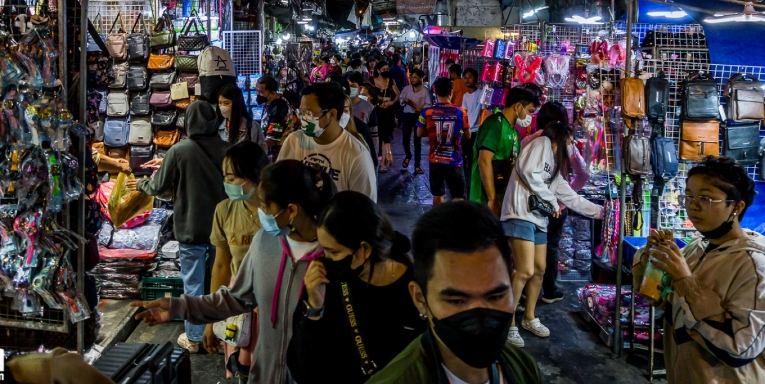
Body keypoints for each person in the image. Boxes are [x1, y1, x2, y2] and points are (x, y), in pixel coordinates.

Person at [131, 160, 333, 384]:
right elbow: (235, 298)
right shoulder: (265, 242)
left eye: (266, 207)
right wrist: (179, 307)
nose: (261, 214)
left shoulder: (332, 258)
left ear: (292, 210)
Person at [366, 201, 542, 384]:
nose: (479, 317)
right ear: (420, 299)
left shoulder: (524, 369)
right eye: (457, 301)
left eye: (495, 296)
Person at [632, 157, 765, 384]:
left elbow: (739, 349)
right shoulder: (697, 246)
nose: (693, 205)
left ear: (736, 206)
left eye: (705, 198)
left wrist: (686, 281)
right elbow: (662, 301)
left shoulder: (753, 266)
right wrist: (653, 259)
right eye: (689, 196)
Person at [287, 192, 424, 384]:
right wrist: (313, 309)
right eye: (323, 249)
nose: (324, 258)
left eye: (333, 252)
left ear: (364, 250)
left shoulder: (414, 288)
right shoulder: (325, 282)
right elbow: (302, 369)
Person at [136, 100, 230, 352]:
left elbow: (156, 187)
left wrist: (140, 185)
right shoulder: (227, 149)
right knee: (219, 283)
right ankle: (219, 335)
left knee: (193, 285)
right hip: (222, 229)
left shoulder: (179, 151)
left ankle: (195, 337)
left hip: (191, 228)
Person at [500, 122, 603, 347]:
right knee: (525, 270)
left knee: (539, 269)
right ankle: (508, 323)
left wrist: (601, 213)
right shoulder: (541, 143)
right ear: (561, 137)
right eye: (570, 140)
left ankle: (529, 317)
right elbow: (527, 172)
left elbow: (570, 196)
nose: (572, 145)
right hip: (520, 212)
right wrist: (549, 200)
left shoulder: (554, 166)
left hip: (538, 218)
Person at [203, 141, 270, 376]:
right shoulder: (224, 210)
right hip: (240, 305)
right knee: (244, 367)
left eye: (232, 178)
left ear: (254, 175)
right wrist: (211, 320)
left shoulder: (277, 212)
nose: (226, 184)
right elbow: (221, 266)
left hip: (274, 306)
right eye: (225, 177)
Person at [522, 101, 590, 304]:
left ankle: (525, 292)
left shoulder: (529, 140)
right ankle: (549, 291)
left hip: (531, 204)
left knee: (529, 246)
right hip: (556, 209)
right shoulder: (566, 143)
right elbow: (583, 174)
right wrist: (564, 197)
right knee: (550, 247)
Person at [277, 82, 377, 201]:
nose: (303, 118)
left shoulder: (357, 156)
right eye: (301, 112)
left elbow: (363, 211)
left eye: (309, 113)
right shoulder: (294, 141)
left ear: (331, 114)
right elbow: (279, 185)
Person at [469, 86, 541, 215]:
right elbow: (484, 161)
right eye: (530, 111)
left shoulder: (514, 132)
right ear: (518, 106)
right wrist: (492, 199)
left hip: (502, 198)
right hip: (484, 201)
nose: (530, 117)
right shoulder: (494, 125)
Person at [417, 77, 469, 207]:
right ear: (451, 92)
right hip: (454, 161)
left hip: (435, 160)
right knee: (458, 196)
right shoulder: (461, 112)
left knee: (438, 195)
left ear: (434, 92)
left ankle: (439, 222)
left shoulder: (426, 112)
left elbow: (419, 133)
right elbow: (467, 135)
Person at [398, 68, 432, 175]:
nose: (412, 79)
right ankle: (408, 155)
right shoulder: (406, 89)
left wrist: (421, 110)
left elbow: (428, 106)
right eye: (411, 77)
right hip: (407, 115)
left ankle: (417, 165)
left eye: (415, 77)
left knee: (417, 141)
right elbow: (400, 100)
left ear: (421, 78)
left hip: (418, 117)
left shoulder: (425, 91)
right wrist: (405, 101)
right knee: (405, 140)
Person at [219, 84, 267, 151]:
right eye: (220, 103)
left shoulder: (252, 127)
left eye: (226, 103)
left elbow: (262, 153)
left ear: (236, 103)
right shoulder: (219, 127)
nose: (222, 106)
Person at [256, 75, 291, 160]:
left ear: (272, 92)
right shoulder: (269, 102)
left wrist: (254, 147)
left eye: (261, 92)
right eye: (257, 91)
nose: (258, 95)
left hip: (277, 155)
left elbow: (272, 140)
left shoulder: (278, 109)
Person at [373, 64, 400, 173]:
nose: (385, 71)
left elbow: (398, 94)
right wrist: (381, 100)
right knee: (378, 136)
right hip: (377, 111)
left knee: (385, 136)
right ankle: (379, 159)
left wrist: (391, 102)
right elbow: (371, 96)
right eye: (383, 69)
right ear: (378, 70)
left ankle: (383, 162)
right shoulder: (372, 81)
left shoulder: (390, 81)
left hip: (387, 112)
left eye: (387, 69)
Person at [348, 71, 379, 151]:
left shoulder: (369, 107)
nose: (350, 89)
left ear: (360, 88)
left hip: (362, 150)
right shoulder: (339, 106)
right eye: (348, 86)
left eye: (353, 86)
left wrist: (374, 159)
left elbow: (374, 135)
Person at [388, 55, 409, 127]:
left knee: (392, 108)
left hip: (391, 91)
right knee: (400, 108)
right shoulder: (402, 70)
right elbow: (404, 82)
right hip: (400, 91)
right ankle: (400, 123)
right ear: (399, 61)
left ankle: (393, 123)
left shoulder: (389, 70)